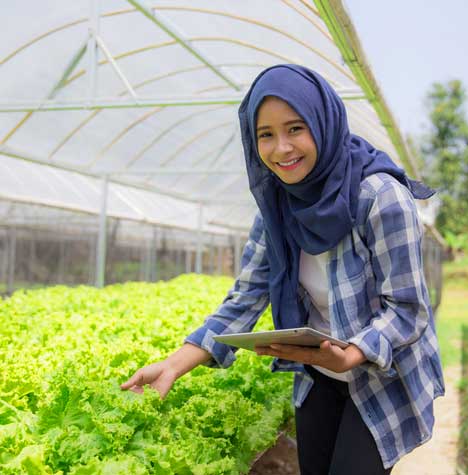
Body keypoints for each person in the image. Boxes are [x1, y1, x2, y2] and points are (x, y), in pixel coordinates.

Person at [121, 64, 445, 474]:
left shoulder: (380, 198)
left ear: (323, 123)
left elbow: (408, 310)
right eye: (266, 135)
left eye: (295, 128)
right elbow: (245, 298)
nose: (281, 149)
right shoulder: (277, 206)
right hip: (319, 371)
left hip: (382, 373)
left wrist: (355, 352)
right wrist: (173, 364)